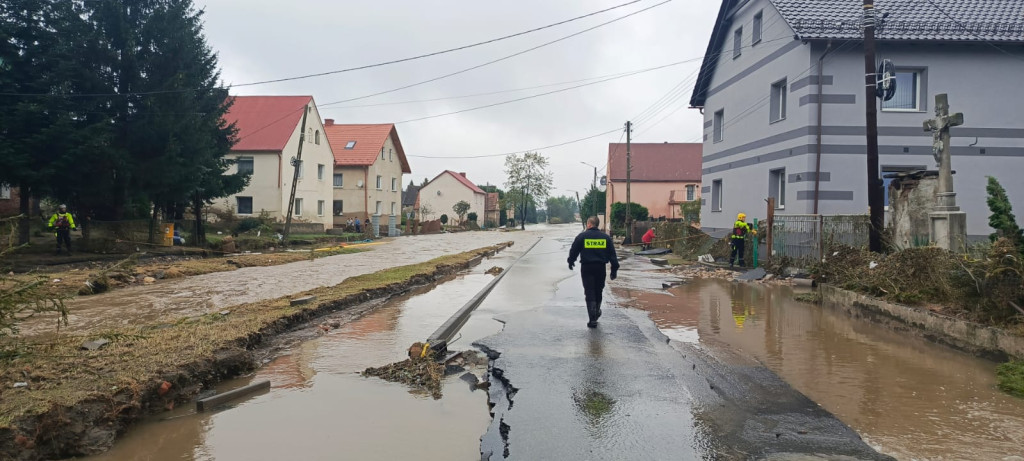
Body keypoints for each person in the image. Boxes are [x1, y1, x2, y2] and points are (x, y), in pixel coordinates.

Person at [568, 216, 620, 328]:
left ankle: (592, 319)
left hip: (587, 268)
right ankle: (596, 312)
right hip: (600, 268)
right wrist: (614, 269)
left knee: (589, 291)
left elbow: (574, 250)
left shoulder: (582, 236)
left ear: (589, 224)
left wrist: (571, 261)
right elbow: (612, 255)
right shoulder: (605, 238)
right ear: (597, 225)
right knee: (598, 291)